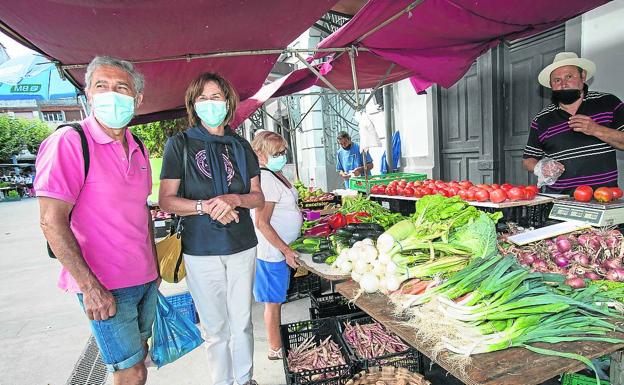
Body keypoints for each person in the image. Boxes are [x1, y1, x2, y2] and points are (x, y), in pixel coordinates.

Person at [35, 56, 158, 385]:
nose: (111, 95)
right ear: (88, 94)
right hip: (105, 285)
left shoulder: (139, 146)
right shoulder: (69, 142)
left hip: (143, 278)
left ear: (138, 99)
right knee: (130, 371)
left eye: (121, 88)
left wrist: (155, 268)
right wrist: (90, 287)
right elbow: (50, 221)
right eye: (101, 86)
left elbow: (141, 210)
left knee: (138, 359)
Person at [159, 72, 264, 385]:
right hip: (200, 250)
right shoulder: (180, 145)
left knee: (242, 321)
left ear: (228, 102)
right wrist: (206, 206)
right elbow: (166, 200)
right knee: (215, 328)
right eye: (202, 97)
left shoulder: (242, 147)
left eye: (215, 96)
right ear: (193, 104)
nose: (209, 103)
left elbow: (257, 198)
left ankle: (244, 379)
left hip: (242, 246)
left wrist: (233, 198)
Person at [523, 52, 624, 194]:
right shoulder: (541, 119)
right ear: (551, 85)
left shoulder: (608, 102)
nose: (563, 84)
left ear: (583, 76)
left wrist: (595, 129)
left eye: (569, 77)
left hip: (603, 198)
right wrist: (541, 167)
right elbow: (528, 160)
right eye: (557, 80)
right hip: (558, 201)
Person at [250, 131, 303, 360]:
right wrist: (286, 250)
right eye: (276, 153)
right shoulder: (267, 179)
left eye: (283, 152)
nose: (282, 156)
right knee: (273, 303)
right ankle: (275, 349)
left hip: (280, 251)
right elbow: (261, 222)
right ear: (260, 154)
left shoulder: (276, 173)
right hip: (271, 253)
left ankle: (276, 345)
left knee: (277, 299)